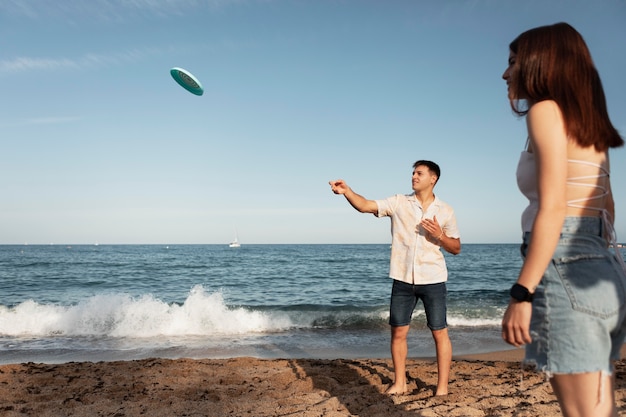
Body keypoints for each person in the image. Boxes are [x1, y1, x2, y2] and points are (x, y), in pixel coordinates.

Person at [500, 22, 626, 417]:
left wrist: (523, 292)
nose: (506, 73)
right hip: (606, 273)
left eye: (513, 62)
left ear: (540, 62)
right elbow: (607, 210)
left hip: (565, 271)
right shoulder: (590, 126)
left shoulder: (544, 111)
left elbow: (554, 208)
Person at [329, 160, 461, 396]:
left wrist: (439, 235)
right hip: (402, 279)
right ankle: (399, 382)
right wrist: (347, 192)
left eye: (419, 173)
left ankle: (442, 387)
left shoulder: (446, 210)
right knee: (398, 332)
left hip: (433, 279)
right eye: (412, 173)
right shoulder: (399, 202)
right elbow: (366, 206)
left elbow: (456, 247)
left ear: (433, 179)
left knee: (439, 332)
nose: (413, 177)